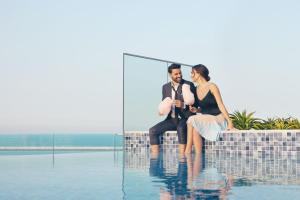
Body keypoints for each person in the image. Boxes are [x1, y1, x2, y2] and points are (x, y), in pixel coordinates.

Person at [185, 64, 234, 154]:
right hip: (208, 119)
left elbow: (220, 104)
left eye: (192, 73)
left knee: (191, 119)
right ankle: (198, 159)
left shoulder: (212, 86)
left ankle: (187, 151)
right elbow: (204, 108)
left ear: (198, 73)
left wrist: (230, 122)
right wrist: (197, 110)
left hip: (218, 118)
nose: (191, 75)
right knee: (196, 129)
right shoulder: (196, 89)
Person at [149, 63, 198, 155]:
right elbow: (164, 103)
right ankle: (155, 160)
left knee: (180, 128)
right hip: (172, 119)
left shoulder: (189, 84)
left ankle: (182, 159)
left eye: (180, 73)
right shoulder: (165, 87)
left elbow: (196, 104)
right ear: (170, 74)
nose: (179, 75)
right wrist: (161, 111)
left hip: (186, 118)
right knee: (152, 131)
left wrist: (183, 104)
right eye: (176, 74)